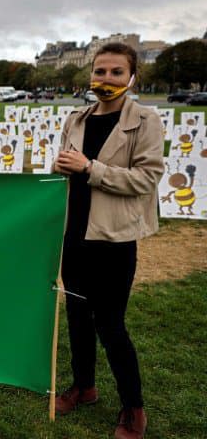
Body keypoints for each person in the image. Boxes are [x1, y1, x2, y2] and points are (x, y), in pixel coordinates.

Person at [53, 43, 164, 439]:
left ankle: (133, 408)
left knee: (111, 325)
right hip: (75, 235)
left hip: (114, 238)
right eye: (100, 71)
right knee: (78, 318)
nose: (106, 79)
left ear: (132, 77)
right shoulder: (76, 119)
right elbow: (67, 168)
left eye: (116, 72)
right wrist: (62, 167)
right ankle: (84, 387)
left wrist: (90, 168)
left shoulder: (145, 121)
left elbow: (146, 179)